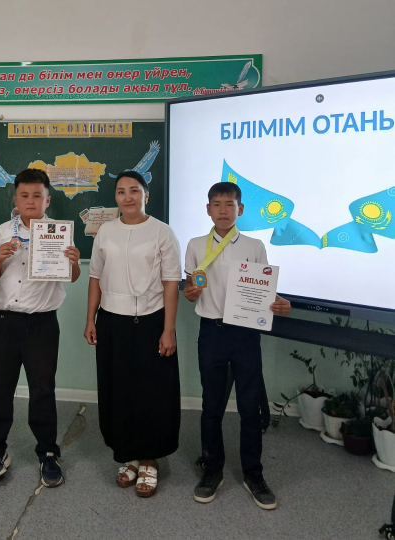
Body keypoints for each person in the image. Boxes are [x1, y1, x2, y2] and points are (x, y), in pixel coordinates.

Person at [183, 181, 291, 510]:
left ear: (240, 209)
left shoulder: (255, 246)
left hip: (245, 334)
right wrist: (190, 293)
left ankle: (253, 474)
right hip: (212, 333)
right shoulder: (196, 245)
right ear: (208, 210)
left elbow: (261, 290)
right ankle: (212, 469)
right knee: (211, 407)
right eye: (217, 204)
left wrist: (279, 302)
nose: (223, 210)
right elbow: (190, 289)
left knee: (249, 408)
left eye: (229, 204)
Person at [84, 170, 182, 498]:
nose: (127, 197)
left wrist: (169, 329)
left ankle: (150, 458)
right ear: (115, 197)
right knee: (119, 390)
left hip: (151, 321)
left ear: (146, 195)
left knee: (151, 392)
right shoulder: (106, 232)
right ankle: (129, 455)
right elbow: (95, 277)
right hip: (112, 322)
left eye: (134, 190)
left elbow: (171, 283)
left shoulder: (162, 232)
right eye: (121, 191)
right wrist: (90, 319)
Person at [0, 168, 81, 487]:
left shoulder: (59, 232)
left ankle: (48, 453)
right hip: (5, 322)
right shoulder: (2, 231)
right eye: (24, 195)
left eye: (37, 196)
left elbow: (72, 277)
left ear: (47, 200)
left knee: (42, 390)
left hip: (42, 324)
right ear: (16, 198)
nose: (30, 201)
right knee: (1, 390)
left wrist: (74, 261)